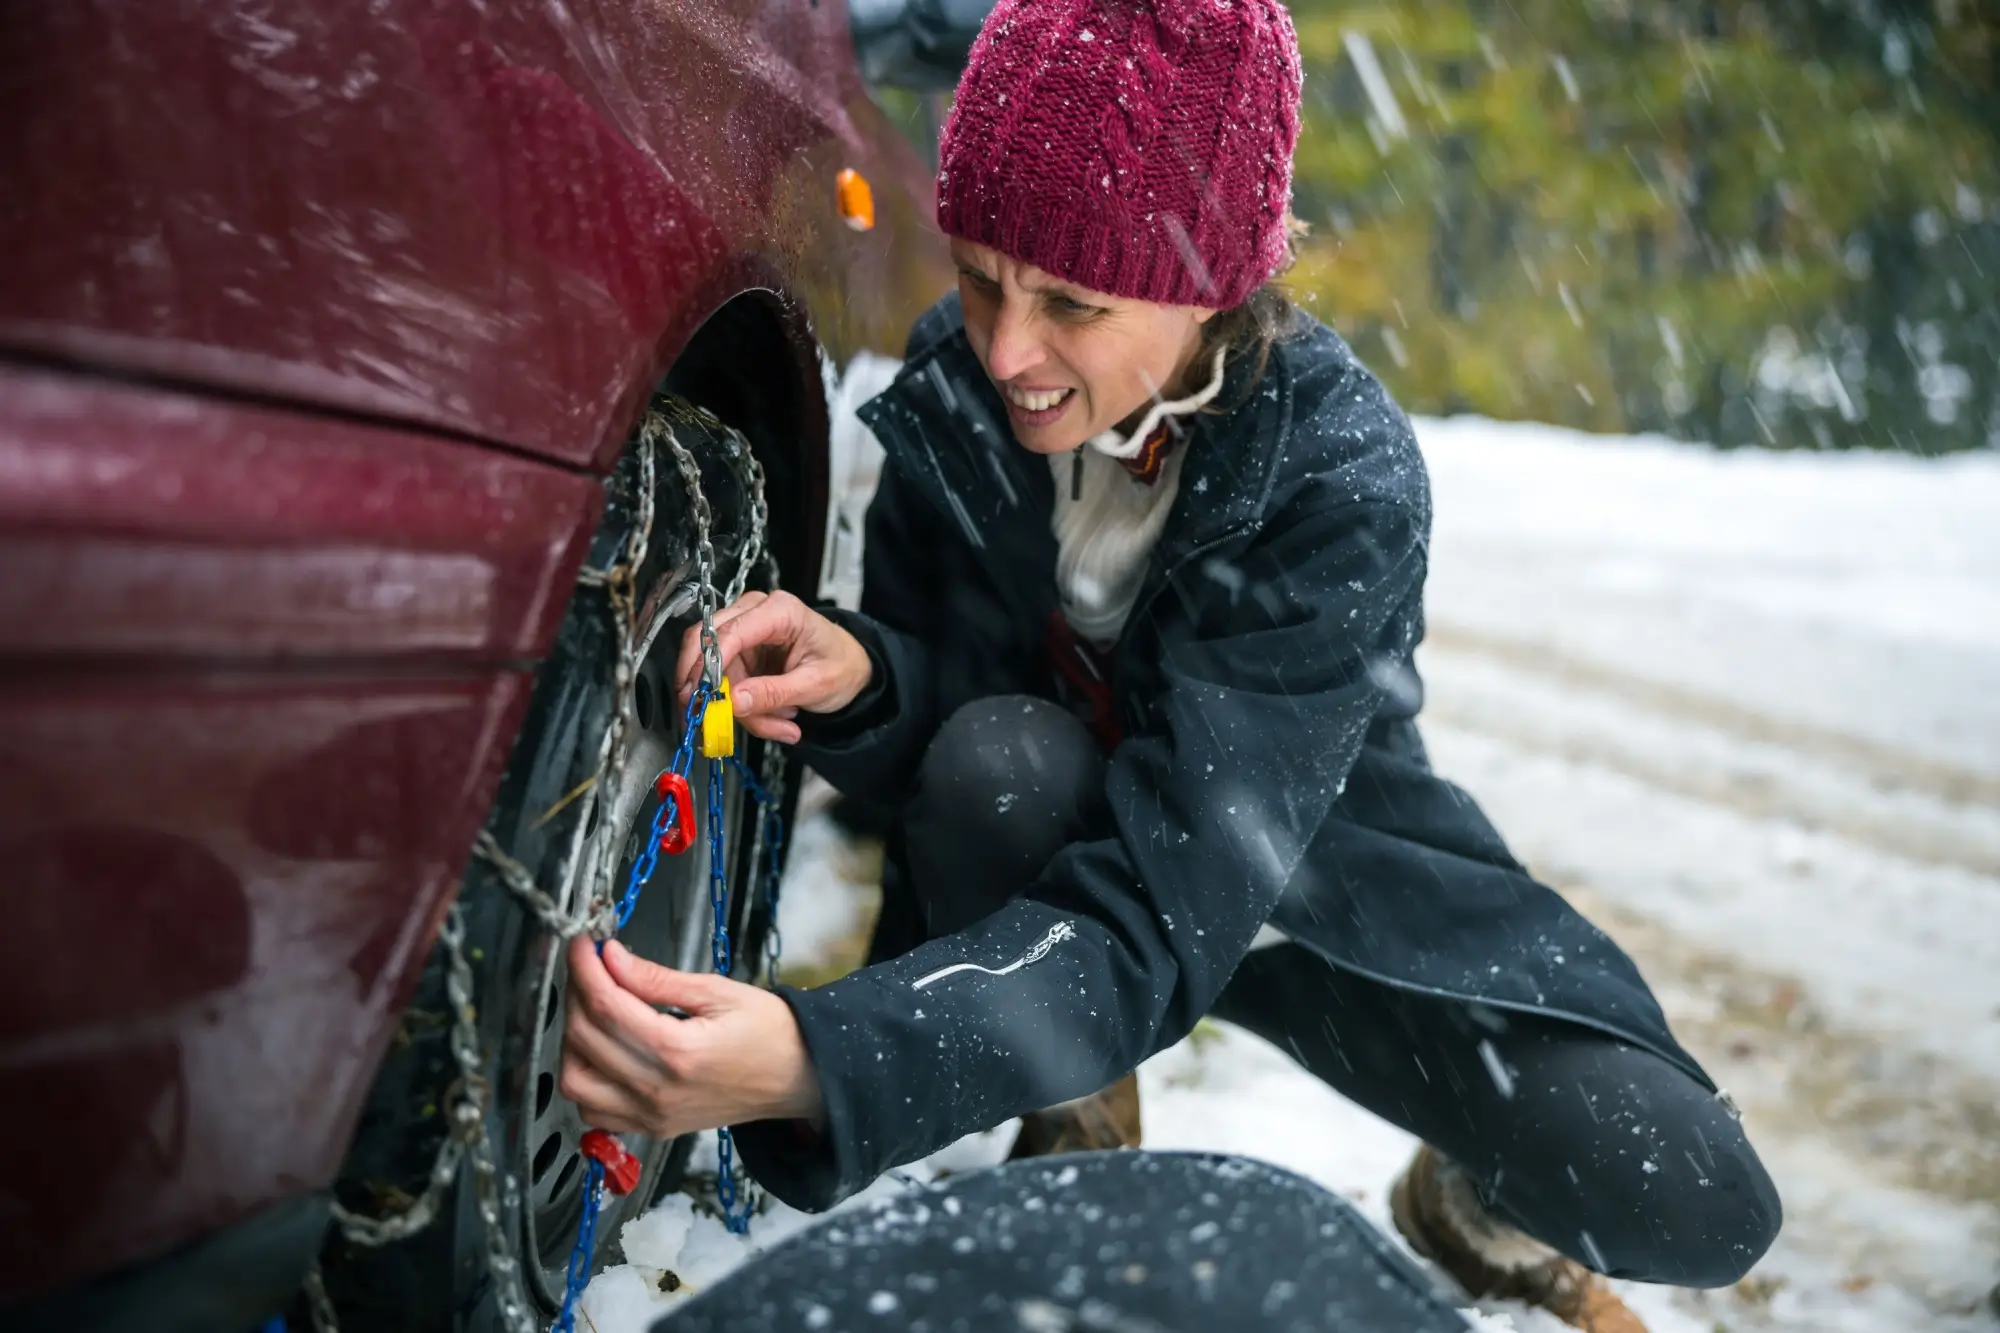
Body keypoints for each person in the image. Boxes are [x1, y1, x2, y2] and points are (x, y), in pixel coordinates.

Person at [556, 2, 1781, 1329]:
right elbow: (963, 718)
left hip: (1293, 886)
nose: (1007, 350)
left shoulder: (1337, 476)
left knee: (1694, 1196)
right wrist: (870, 677)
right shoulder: (960, 391)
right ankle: (1074, 1116)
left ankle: (1466, 1202)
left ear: (1216, 286)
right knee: (996, 763)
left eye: (1072, 301)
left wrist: (815, 1060)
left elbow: (1166, 896)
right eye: (979, 274)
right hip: (1071, 859)